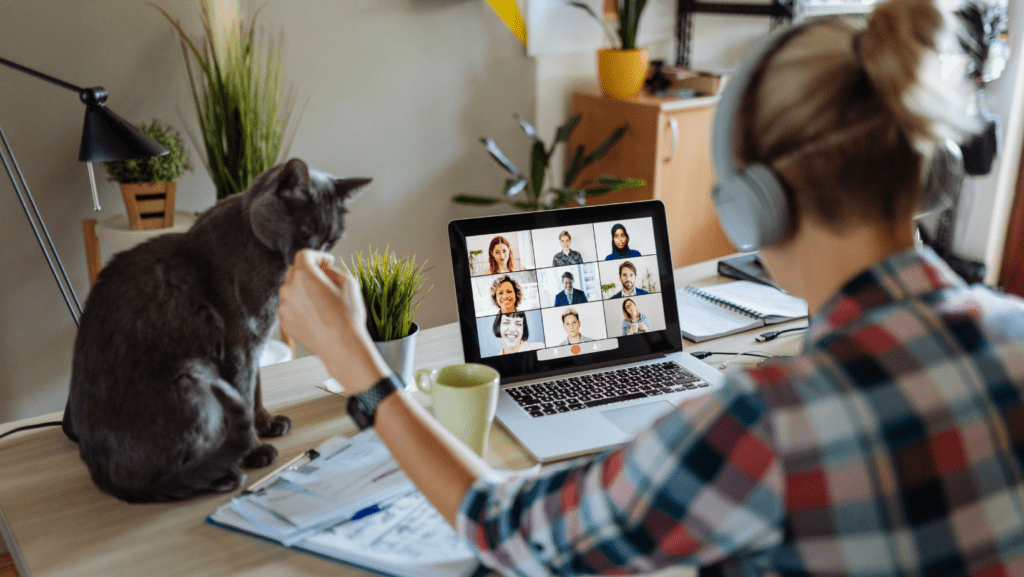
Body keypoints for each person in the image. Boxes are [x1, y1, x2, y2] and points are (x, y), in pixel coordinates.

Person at [278, 1, 1024, 574]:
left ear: (753, 202)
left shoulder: (768, 423)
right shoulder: (1014, 333)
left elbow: (506, 530)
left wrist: (360, 364)